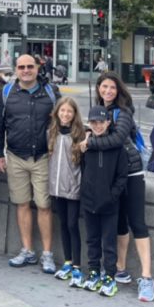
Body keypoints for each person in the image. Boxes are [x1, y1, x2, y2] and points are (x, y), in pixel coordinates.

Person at [82, 71, 154, 302]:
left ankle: (146, 277)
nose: (108, 91)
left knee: (137, 223)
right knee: (119, 222)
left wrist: (89, 143)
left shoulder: (123, 112)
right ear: (98, 89)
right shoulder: (98, 112)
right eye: (104, 87)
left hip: (131, 172)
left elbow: (116, 139)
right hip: (108, 176)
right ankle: (119, 269)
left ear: (119, 90)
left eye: (112, 87)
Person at [0, 54, 58, 273]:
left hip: (42, 157)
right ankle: (27, 250)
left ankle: (47, 254)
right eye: (21, 67)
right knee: (21, 204)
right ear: (16, 70)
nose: (26, 70)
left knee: (44, 206)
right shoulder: (7, 92)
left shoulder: (50, 92)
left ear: (38, 68)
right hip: (15, 156)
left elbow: (62, 122)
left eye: (30, 66)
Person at [78, 106, 128, 298]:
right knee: (92, 239)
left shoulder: (117, 148)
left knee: (108, 242)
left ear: (108, 123)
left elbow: (122, 176)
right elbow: (84, 170)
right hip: (89, 201)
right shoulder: (86, 146)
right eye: (93, 122)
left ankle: (109, 276)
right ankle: (93, 271)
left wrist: (112, 195)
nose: (97, 125)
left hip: (109, 204)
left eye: (101, 122)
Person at [48, 97, 85, 286]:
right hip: (56, 187)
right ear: (57, 112)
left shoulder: (79, 135)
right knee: (62, 224)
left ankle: (78, 266)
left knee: (72, 224)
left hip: (73, 187)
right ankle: (68, 261)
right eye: (62, 111)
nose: (65, 114)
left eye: (69, 111)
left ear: (74, 114)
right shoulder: (51, 133)